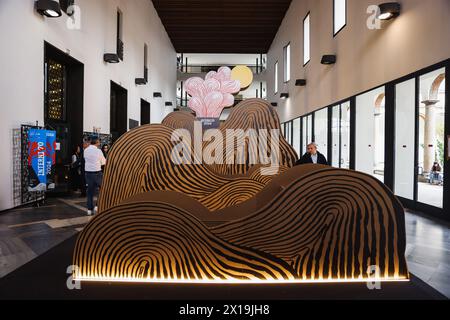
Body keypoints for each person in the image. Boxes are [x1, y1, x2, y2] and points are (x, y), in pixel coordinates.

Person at [84, 137, 106, 216]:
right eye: (99, 142)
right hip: (97, 173)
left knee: (90, 192)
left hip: (88, 174)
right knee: (103, 189)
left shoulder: (85, 150)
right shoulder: (98, 151)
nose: (99, 144)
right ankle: (97, 206)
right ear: (97, 142)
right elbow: (103, 162)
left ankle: (89, 210)